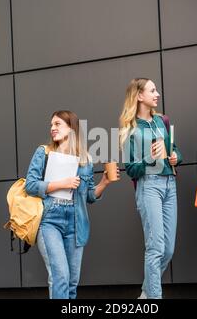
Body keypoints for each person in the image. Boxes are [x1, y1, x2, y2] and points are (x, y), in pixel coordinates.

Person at [25, 110, 119, 299]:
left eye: (57, 124)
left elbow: (90, 196)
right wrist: (62, 184)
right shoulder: (43, 152)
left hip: (77, 223)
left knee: (71, 282)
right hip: (49, 220)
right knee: (60, 276)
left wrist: (104, 183)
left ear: (71, 128)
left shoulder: (86, 161)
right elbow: (31, 185)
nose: (52, 128)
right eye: (51, 124)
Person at [119, 78, 182, 299]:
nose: (157, 94)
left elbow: (174, 150)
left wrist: (175, 157)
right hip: (149, 186)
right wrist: (149, 158)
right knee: (155, 248)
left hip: (169, 184)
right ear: (139, 96)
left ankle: (146, 292)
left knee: (168, 249)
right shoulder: (130, 130)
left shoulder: (162, 121)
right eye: (152, 90)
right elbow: (131, 170)